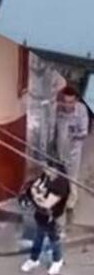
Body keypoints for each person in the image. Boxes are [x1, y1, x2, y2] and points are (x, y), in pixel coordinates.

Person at [21, 159, 70, 275]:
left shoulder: (61, 184)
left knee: (54, 239)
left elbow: (47, 203)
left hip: (53, 216)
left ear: (56, 170)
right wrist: (36, 196)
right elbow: (34, 188)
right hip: (41, 214)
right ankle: (34, 259)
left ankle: (57, 260)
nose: (45, 170)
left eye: (48, 169)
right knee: (38, 236)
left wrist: (36, 197)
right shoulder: (46, 176)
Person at [54, 86, 89, 229]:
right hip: (59, 150)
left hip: (73, 152)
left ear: (76, 101)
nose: (68, 105)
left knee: (72, 178)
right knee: (58, 177)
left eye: (71, 102)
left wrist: (74, 137)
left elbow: (84, 132)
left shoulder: (81, 111)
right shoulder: (57, 110)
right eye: (66, 102)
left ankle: (70, 205)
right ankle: (58, 202)